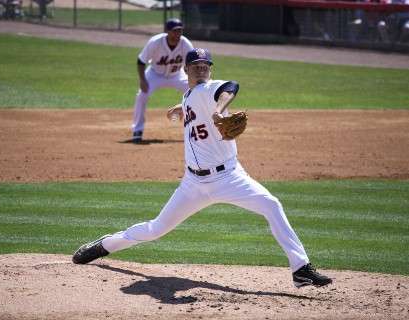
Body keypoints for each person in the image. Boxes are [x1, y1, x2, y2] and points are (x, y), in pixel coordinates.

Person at [73, 48, 333, 288]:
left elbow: (231, 87)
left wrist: (220, 110)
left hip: (229, 178)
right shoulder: (189, 96)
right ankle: (104, 245)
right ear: (185, 70)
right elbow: (193, 101)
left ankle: (300, 269)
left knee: (271, 204)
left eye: (205, 65)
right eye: (195, 66)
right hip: (192, 185)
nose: (201, 69)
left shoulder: (210, 89)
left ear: (210, 70)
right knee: (155, 230)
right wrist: (181, 107)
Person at [131, 18, 194, 143]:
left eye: (180, 31)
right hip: (155, 74)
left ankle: (196, 129)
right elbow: (141, 61)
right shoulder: (155, 42)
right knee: (141, 95)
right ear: (167, 31)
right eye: (175, 31)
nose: (178, 34)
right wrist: (143, 80)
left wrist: (191, 77)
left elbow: (192, 62)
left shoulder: (185, 43)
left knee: (196, 91)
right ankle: (137, 130)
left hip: (177, 75)